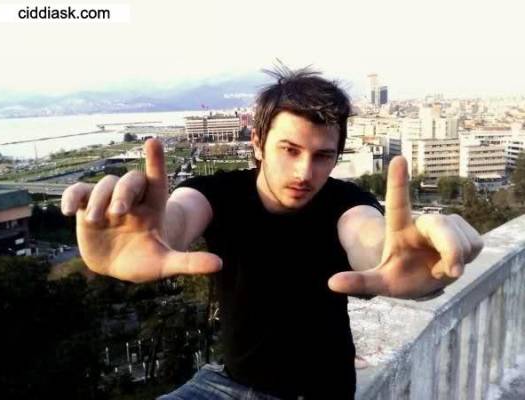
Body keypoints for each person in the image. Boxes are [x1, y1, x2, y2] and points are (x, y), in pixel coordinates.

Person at [61, 67, 483, 399]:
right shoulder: (216, 193)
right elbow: (178, 219)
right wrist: (151, 235)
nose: (304, 172)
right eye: (290, 150)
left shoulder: (346, 203)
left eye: (323, 156)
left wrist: (401, 257)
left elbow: (368, 238)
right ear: (258, 143)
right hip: (228, 383)